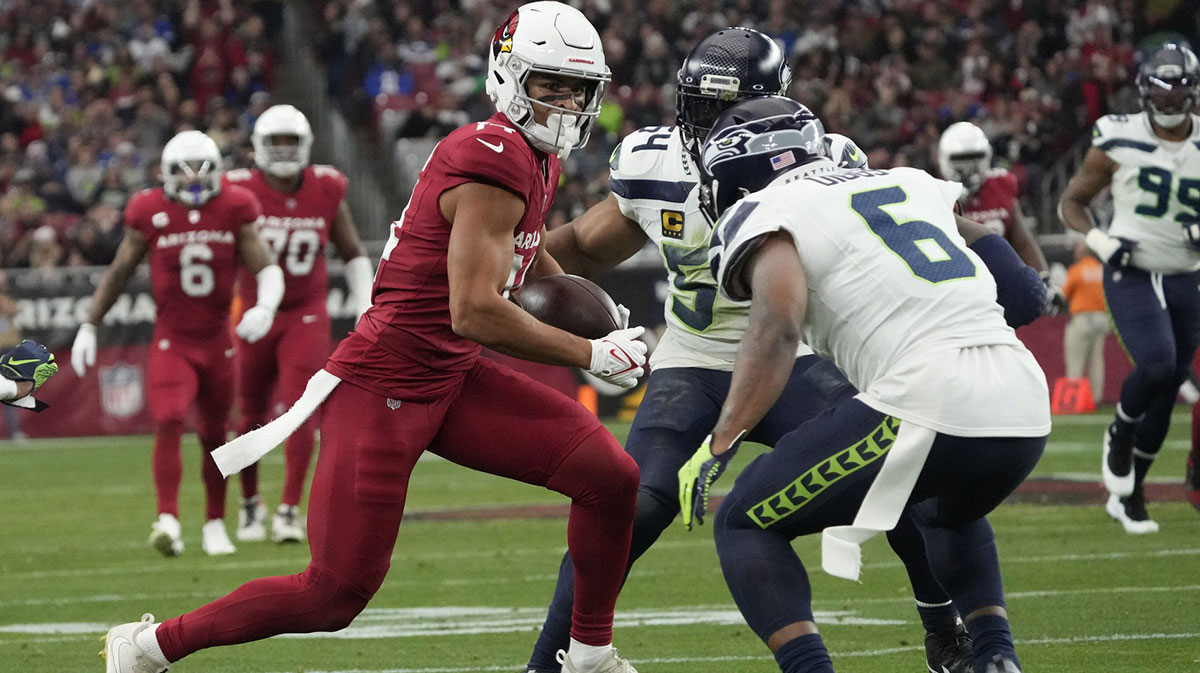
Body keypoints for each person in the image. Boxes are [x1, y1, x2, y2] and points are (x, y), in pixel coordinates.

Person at [101, 4, 646, 673]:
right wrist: (589, 353)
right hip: (384, 384)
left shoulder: (533, 157)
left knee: (610, 477)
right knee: (333, 594)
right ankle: (149, 646)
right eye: (549, 86)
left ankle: (589, 653)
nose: (564, 104)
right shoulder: (493, 158)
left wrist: (595, 312)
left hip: (449, 375)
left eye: (576, 90)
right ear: (509, 77)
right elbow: (475, 308)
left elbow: (522, 260)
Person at [527, 26, 1044, 673]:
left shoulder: (821, 165)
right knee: (633, 501)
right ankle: (549, 658)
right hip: (695, 357)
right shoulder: (653, 162)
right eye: (703, 109)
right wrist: (510, 256)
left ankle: (946, 628)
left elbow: (778, 324)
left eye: (728, 110)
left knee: (904, 483)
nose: (712, 126)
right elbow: (580, 242)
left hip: (792, 356)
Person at [682, 95, 1049, 673]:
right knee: (942, 508)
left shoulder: (765, 209)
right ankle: (995, 659)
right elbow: (1025, 292)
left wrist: (721, 439)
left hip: (929, 393)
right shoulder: (905, 181)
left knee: (743, 520)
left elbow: (778, 324)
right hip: (1023, 396)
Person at [71, 130, 283, 557]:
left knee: (214, 435)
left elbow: (268, 268)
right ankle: (167, 517)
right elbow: (119, 273)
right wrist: (89, 324)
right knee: (168, 418)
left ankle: (214, 524)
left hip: (218, 340)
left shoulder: (234, 206)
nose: (192, 181)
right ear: (166, 174)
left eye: (200, 171)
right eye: (183, 172)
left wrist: (266, 308)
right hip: (173, 341)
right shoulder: (148, 209)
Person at [1058, 42, 1200, 534]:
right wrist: (1100, 240)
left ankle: (1131, 493)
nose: (1170, 98)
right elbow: (1072, 203)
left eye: (1179, 87)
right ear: (1144, 92)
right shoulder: (1118, 137)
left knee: (1169, 386)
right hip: (1132, 269)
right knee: (1158, 364)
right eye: (1162, 89)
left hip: (1186, 273)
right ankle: (1119, 431)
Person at [223, 104, 374, 544]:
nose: (285, 151)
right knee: (249, 412)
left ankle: (289, 508)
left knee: (301, 409)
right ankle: (250, 504)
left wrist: (366, 302)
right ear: (257, 148)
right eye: (277, 142)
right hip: (252, 312)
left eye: (292, 141)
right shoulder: (237, 190)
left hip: (306, 312)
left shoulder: (325, 187)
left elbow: (352, 252)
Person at [938, 121, 1059, 311]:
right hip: (955, 291)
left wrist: (1044, 277)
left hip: (1000, 286)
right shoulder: (934, 191)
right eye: (962, 160)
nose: (969, 168)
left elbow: (1023, 242)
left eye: (974, 158)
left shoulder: (1000, 185)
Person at [1061, 236, 1109, 406]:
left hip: (1083, 318)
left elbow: (1064, 293)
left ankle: (1072, 400)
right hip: (1102, 317)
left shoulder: (1077, 269)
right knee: (1097, 360)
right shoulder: (1102, 270)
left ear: (1085, 250)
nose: (1076, 251)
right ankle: (1096, 399)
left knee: (1075, 359)